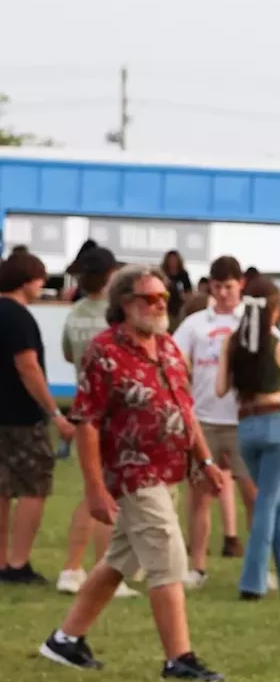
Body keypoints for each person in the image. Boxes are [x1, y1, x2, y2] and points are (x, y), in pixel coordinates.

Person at [40, 266, 224, 681]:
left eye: (163, 298)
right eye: (150, 298)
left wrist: (206, 460)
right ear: (125, 304)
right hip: (132, 473)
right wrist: (93, 489)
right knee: (167, 559)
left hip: (169, 471)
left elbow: (184, 410)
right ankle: (179, 658)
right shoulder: (104, 352)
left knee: (119, 560)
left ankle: (65, 640)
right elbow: (87, 422)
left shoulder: (169, 347)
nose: (161, 305)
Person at [214, 273, 280, 601]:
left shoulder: (231, 342)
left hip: (246, 426)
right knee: (267, 504)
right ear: (275, 310)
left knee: (274, 503)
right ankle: (253, 581)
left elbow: (219, 389)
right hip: (277, 422)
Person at [56, 245, 136, 599]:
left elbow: (67, 354)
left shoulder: (74, 313)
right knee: (106, 494)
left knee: (91, 491)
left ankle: (73, 567)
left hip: (83, 406)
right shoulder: (115, 315)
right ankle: (103, 569)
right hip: (114, 411)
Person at [173, 256, 255, 582]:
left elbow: (279, 355)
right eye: (218, 287)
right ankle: (197, 567)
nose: (223, 294)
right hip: (204, 419)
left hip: (243, 420)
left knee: (253, 496)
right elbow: (175, 360)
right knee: (200, 496)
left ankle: (257, 566)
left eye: (229, 287)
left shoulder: (252, 319)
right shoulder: (195, 323)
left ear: (241, 286)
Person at [0, 252, 76, 582]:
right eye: (40, 278)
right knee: (34, 486)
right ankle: (19, 562)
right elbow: (28, 368)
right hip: (21, 416)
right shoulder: (19, 317)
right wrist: (54, 413)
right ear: (28, 280)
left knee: (1, 489)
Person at [160, 250, 193, 327]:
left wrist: (184, 296)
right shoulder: (162, 272)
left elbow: (188, 291)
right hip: (166, 303)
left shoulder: (183, 274)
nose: (173, 262)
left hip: (179, 306)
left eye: (175, 260)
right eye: (171, 260)